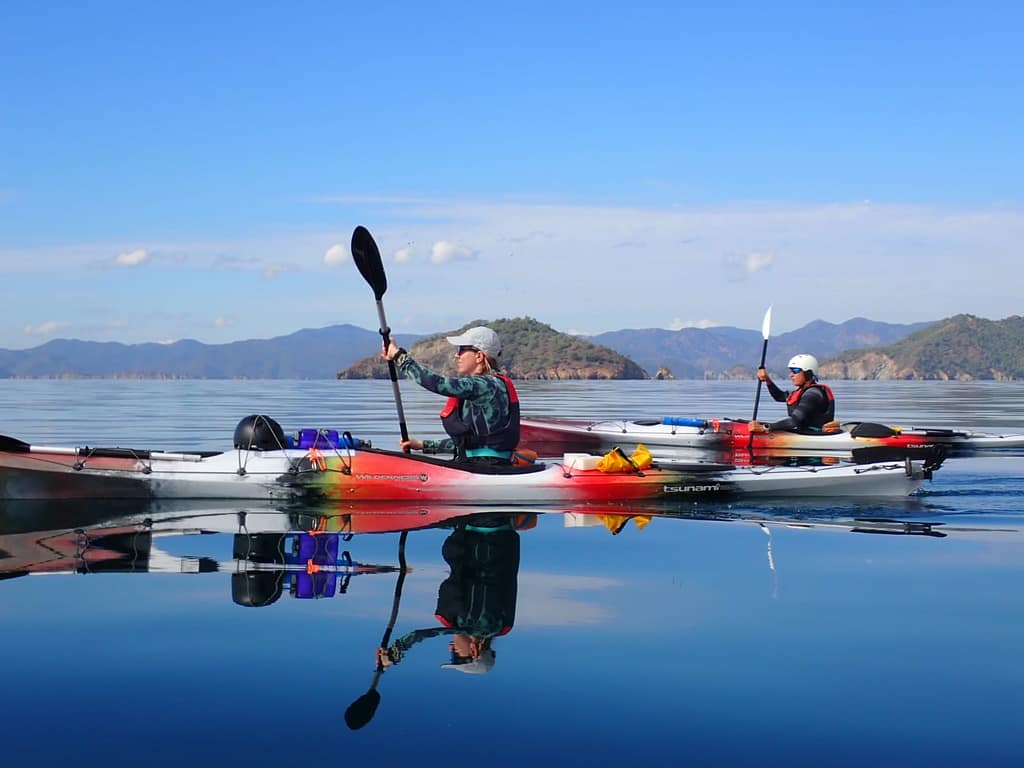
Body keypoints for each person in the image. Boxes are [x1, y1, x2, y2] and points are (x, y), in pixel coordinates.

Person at [376, 512, 530, 675]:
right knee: (413, 517)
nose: (451, 648)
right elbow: (419, 635)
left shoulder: (502, 624)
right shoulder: (469, 623)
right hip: (475, 521)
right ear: (474, 652)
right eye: (456, 655)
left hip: (501, 525)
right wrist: (394, 653)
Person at [381, 325, 520, 464]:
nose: (456, 355)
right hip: (481, 463)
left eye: (461, 350)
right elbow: (469, 443)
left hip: (486, 467)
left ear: (479, 356)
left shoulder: (485, 385)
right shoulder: (485, 387)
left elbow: (436, 383)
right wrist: (421, 445)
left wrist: (399, 356)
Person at [748, 353, 836, 433]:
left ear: (808, 373)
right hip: (802, 430)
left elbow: (794, 421)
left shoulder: (813, 394)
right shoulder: (801, 392)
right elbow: (779, 396)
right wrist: (767, 379)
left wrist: (764, 428)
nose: (791, 375)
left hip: (814, 434)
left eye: (795, 371)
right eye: (791, 371)